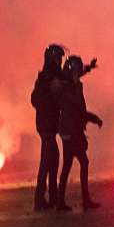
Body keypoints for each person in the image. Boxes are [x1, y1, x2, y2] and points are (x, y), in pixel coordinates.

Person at [56, 55, 102, 211]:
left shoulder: (69, 84)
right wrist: (93, 118)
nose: (78, 73)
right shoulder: (68, 88)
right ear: (71, 71)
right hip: (70, 130)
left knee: (69, 165)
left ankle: (61, 202)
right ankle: (84, 201)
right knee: (82, 162)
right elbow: (77, 108)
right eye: (76, 70)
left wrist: (89, 67)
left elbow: (79, 109)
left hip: (70, 130)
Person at [31, 44, 66, 211]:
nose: (60, 61)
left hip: (48, 125)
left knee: (53, 158)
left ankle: (51, 197)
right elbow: (35, 100)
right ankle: (40, 200)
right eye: (59, 58)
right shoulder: (46, 78)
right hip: (46, 125)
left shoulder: (49, 77)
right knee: (47, 161)